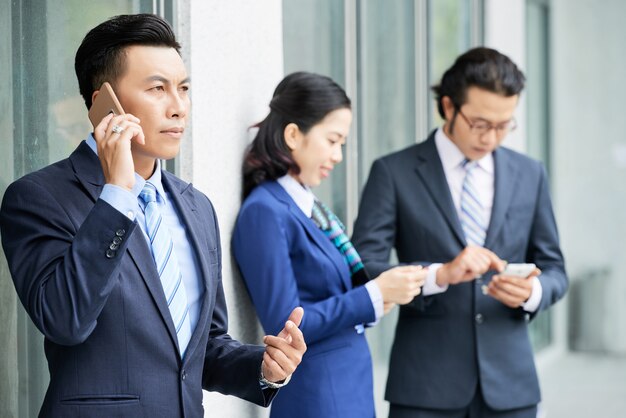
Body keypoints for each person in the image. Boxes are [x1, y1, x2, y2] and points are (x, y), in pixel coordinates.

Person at [0, 14, 306, 418]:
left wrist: (263, 369)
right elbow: (66, 319)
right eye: (157, 89)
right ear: (103, 104)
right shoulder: (39, 197)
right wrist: (117, 195)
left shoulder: (197, 207)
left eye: (183, 88)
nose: (178, 108)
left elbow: (205, 348)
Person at [352, 47, 568, 418]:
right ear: (449, 107)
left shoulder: (530, 174)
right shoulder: (393, 172)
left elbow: (555, 270)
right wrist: (439, 274)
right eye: (481, 124)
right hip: (423, 387)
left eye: (504, 125)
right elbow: (361, 267)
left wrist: (532, 292)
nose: (492, 138)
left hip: (511, 388)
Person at [232, 71, 426, 418]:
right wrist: (372, 295)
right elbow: (285, 324)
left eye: (342, 144)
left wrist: (378, 297)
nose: (338, 155)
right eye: (332, 140)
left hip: (346, 386)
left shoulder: (309, 208)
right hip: (318, 396)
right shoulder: (264, 211)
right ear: (293, 134)